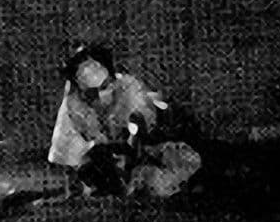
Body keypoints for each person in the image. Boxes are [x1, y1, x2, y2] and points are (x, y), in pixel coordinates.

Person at [47, 44, 201, 198]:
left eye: (105, 86)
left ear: (113, 79)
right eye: (91, 93)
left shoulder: (131, 91)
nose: (100, 96)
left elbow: (143, 139)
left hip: (151, 153)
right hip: (110, 167)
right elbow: (65, 159)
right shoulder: (73, 105)